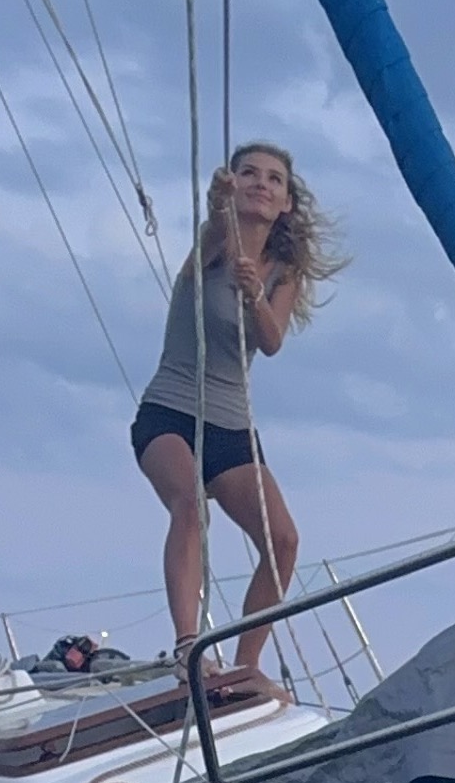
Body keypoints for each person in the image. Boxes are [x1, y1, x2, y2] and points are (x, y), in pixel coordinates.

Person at [130, 141, 342, 686]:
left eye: (273, 179)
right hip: (170, 413)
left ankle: (245, 665)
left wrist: (254, 296)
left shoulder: (282, 273)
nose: (260, 184)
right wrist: (216, 201)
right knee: (188, 505)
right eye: (249, 174)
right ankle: (187, 651)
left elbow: (270, 341)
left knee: (284, 541)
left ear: (286, 202)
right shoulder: (214, 245)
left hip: (231, 427)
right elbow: (212, 223)